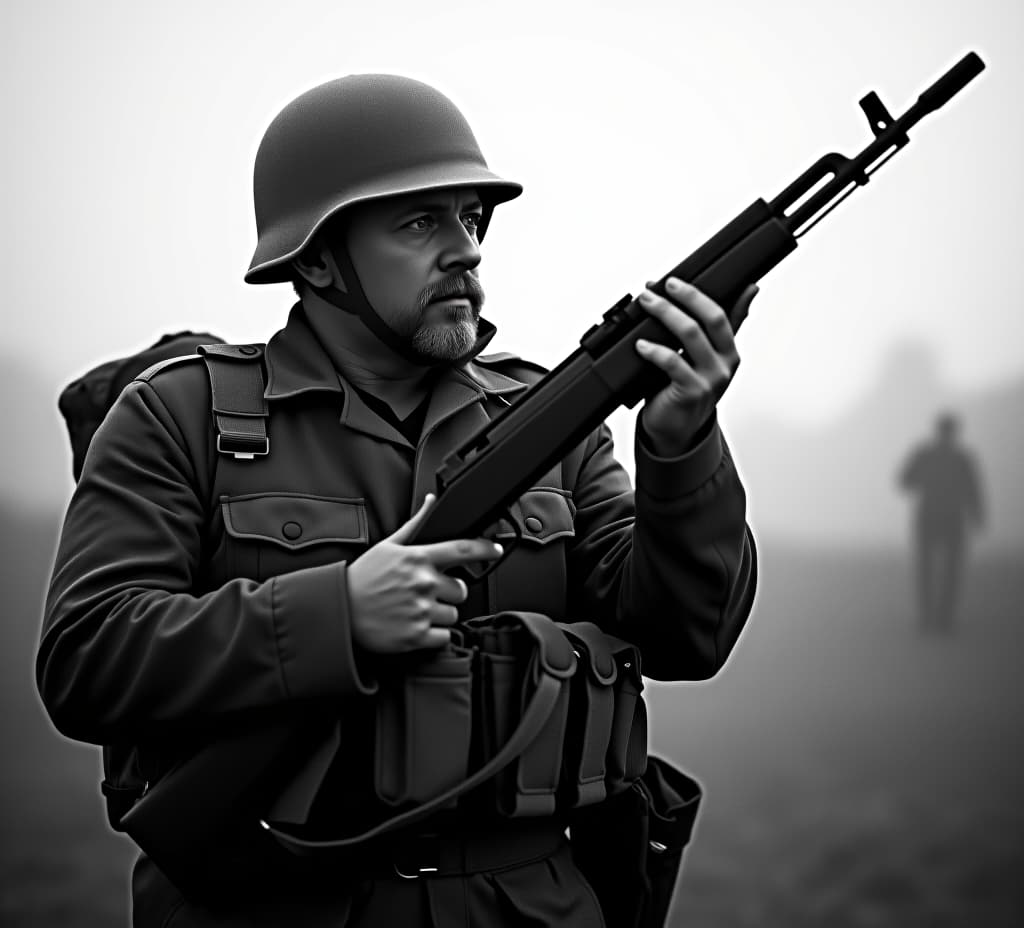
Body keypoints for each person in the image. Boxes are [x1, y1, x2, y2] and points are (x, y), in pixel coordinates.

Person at [37, 74, 758, 927]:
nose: (466, 250)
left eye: (471, 219)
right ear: (314, 258)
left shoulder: (551, 423)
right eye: (421, 221)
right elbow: (85, 656)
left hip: (529, 906)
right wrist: (336, 614)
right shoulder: (179, 414)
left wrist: (681, 440)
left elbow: (689, 633)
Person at [898, 411, 985, 631]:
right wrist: (978, 515)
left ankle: (931, 617)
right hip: (948, 517)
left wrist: (977, 513)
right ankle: (940, 618)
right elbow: (973, 490)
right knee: (947, 570)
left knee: (930, 569)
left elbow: (905, 481)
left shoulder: (928, 455)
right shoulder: (960, 458)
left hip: (931, 516)